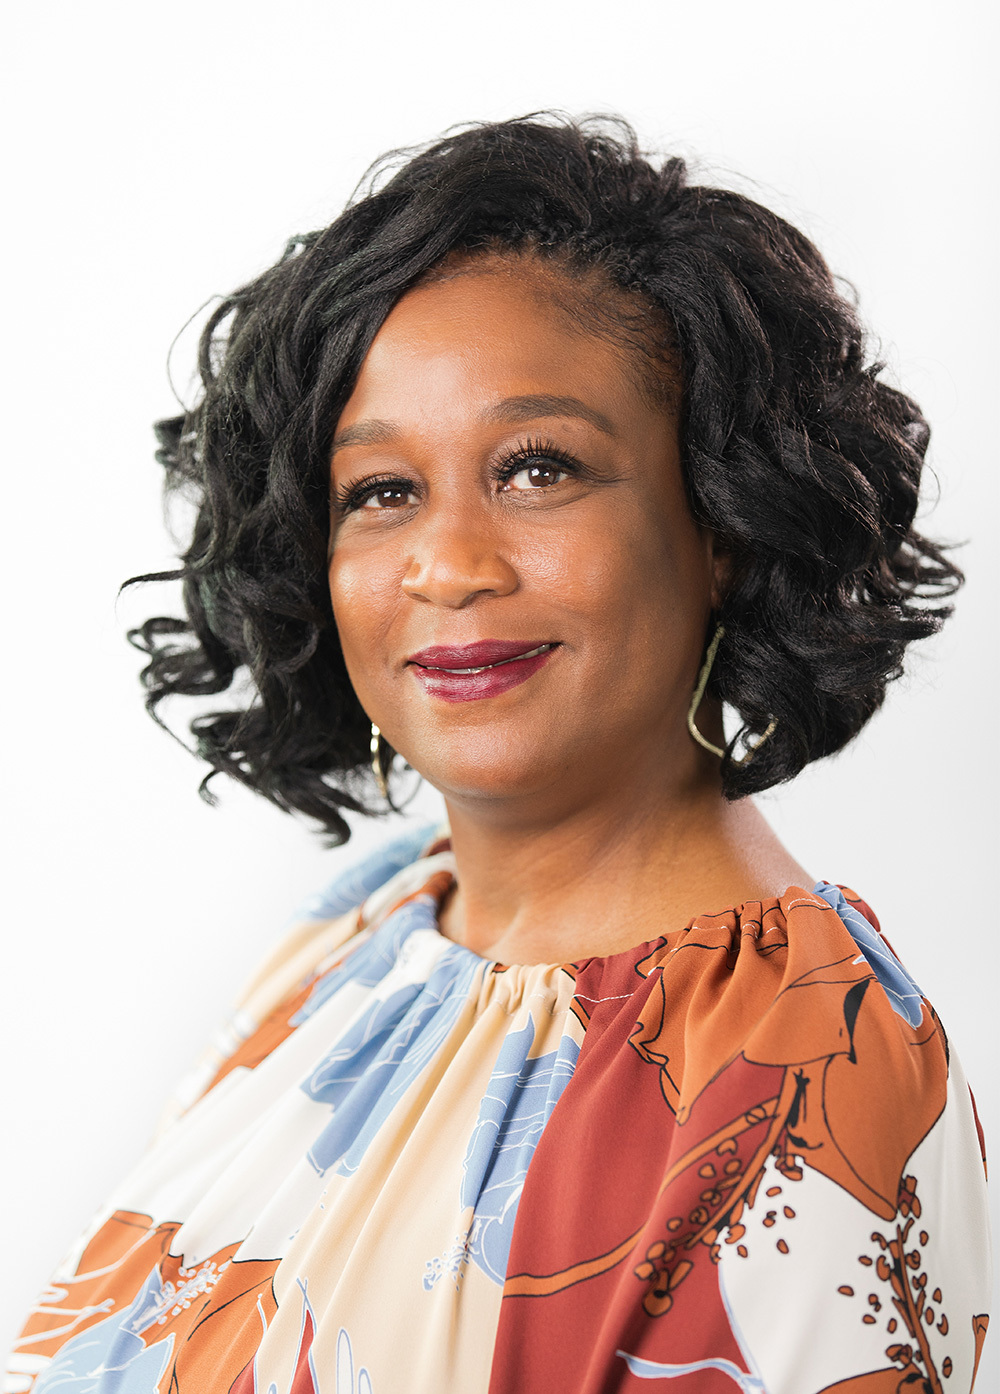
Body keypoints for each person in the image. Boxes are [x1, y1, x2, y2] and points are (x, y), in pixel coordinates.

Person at [7, 114, 991, 1394]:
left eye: (538, 468)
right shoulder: (375, 930)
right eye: (381, 490)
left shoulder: (799, 1086)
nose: (448, 563)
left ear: (722, 523)